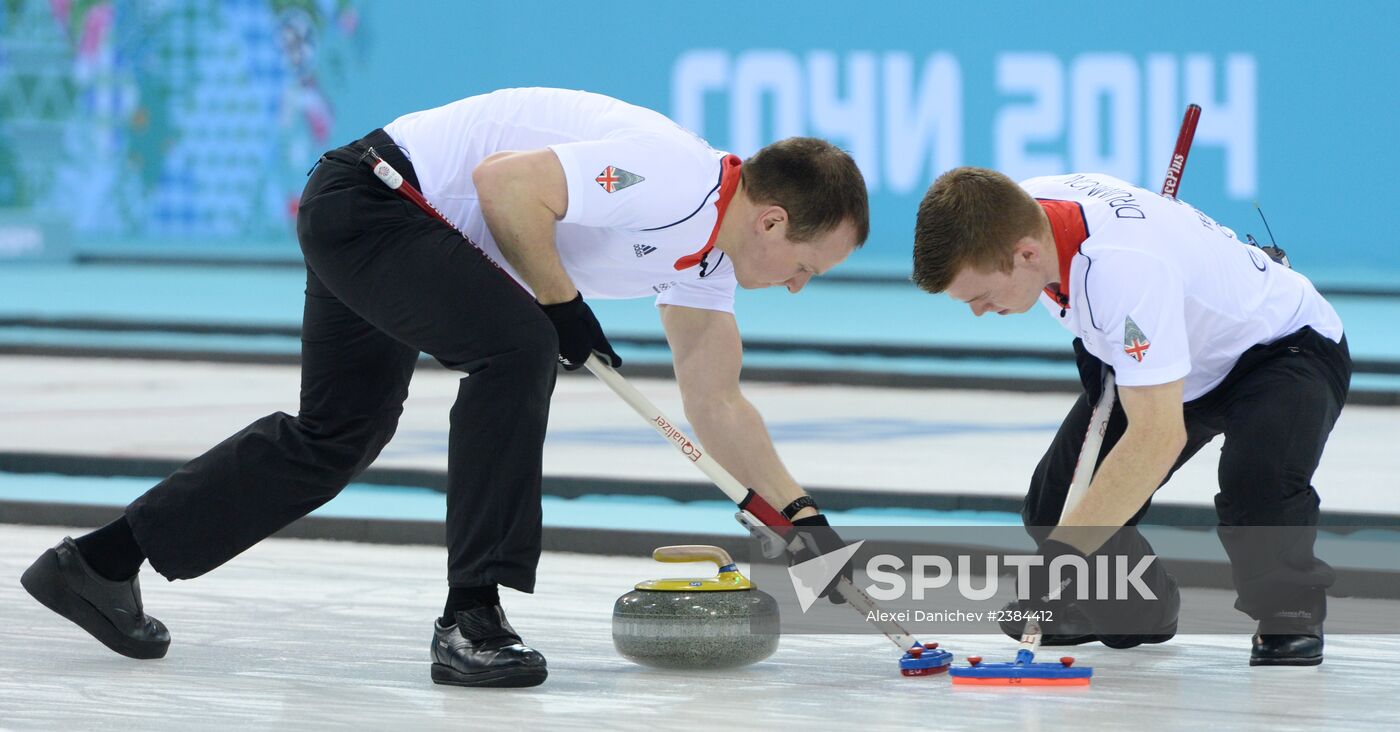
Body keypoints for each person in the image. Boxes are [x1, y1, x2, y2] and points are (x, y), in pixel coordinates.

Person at [20, 87, 868, 687]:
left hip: (392, 227)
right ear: (772, 220)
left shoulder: (709, 259)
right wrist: (562, 306)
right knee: (520, 349)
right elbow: (507, 186)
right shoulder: (673, 175)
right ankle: (474, 618)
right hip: (376, 201)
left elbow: (715, 398)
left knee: (338, 435)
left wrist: (797, 521)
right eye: (807, 266)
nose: (798, 284)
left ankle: (98, 564)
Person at [911, 168, 1350, 666]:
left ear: (1027, 254)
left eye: (980, 297)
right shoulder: (1016, 212)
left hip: (1281, 347)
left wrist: (1065, 557)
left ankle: (1288, 613)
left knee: (1257, 481)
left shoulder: (1123, 271)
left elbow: (1157, 436)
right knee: (1057, 509)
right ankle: (1138, 609)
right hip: (1172, 349)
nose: (978, 311)